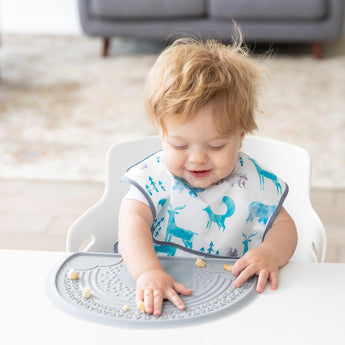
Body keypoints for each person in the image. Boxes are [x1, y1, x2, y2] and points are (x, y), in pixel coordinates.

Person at [118, 37, 297, 317]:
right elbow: (131, 222)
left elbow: (284, 225)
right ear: (160, 131)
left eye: (215, 146)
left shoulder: (254, 183)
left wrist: (272, 252)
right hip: (162, 297)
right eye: (179, 145)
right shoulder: (153, 179)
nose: (197, 158)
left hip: (236, 296)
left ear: (241, 135)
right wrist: (148, 272)